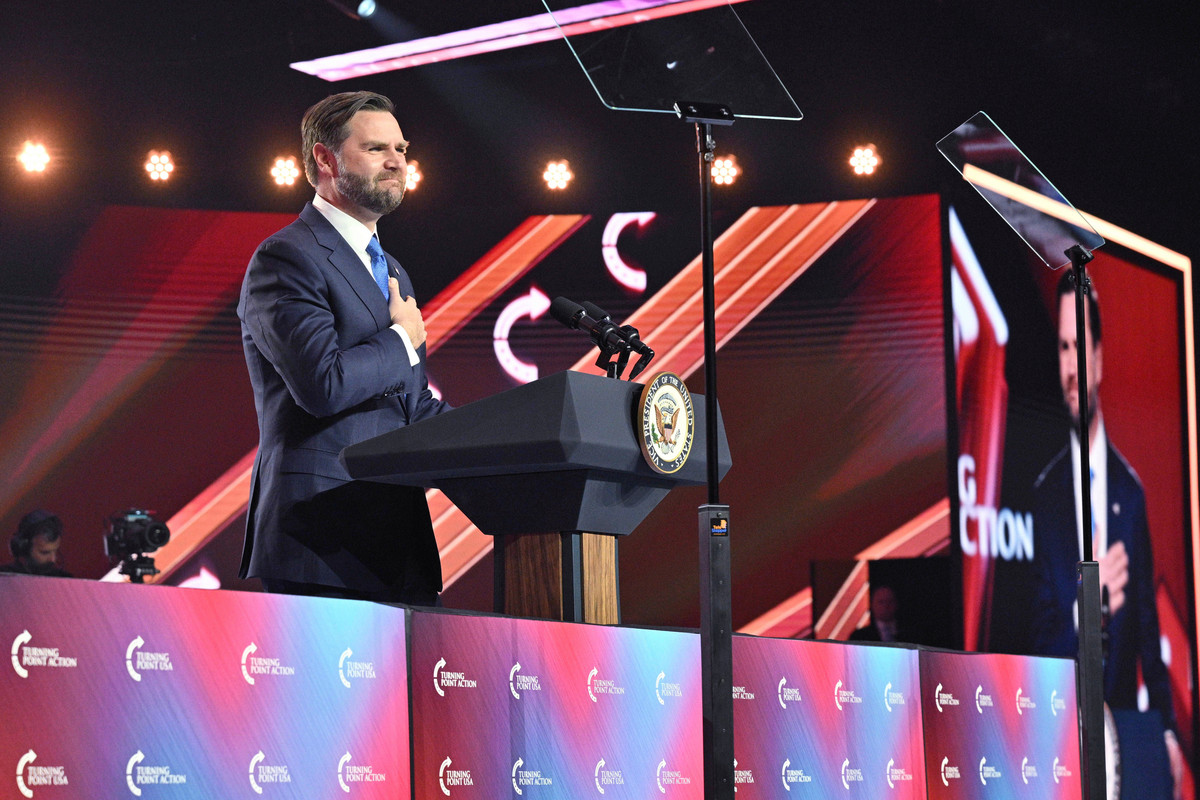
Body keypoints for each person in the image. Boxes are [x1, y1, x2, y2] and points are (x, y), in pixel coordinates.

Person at [237, 91, 450, 605]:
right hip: (319, 542)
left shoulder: (393, 270)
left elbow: (412, 406)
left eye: (401, 148)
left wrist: (508, 436)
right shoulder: (286, 257)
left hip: (399, 544)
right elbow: (322, 384)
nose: (398, 160)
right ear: (325, 159)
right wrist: (401, 339)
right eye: (377, 148)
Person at [1030, 272, 1181, 791]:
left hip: (1121, 749)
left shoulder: (1129, 493)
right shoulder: (1042, 497)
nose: (1071, 364)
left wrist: (1167, 735)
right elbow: (1029, 646)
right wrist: (1086, 612)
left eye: (1081, 347)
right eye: (1062, 348)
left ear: (1100, 358)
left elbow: (1146, 634)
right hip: (1054, 744)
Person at [1, 509, 72, 577]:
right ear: (25, 548)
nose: (53, 559)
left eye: (55, 551)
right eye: (44, 552)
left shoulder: (65, 580)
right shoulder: (3, 578)